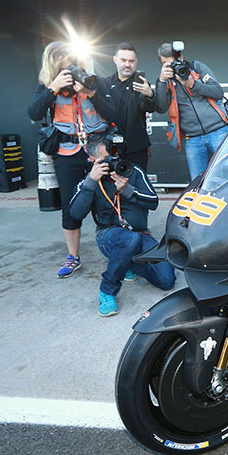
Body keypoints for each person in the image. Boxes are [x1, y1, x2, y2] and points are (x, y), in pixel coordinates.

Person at [27, 41, 114, 278]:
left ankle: (115, 254)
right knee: (71, 206)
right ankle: (73, 257)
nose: (71, 70)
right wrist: (52, 88)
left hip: (97, 150)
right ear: (54, 67)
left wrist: (90, 92)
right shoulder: (47, 86)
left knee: (104, 203)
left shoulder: (92, 80)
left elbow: (113, 112)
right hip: (67, 152)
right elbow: (34, 113)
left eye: (73, 65)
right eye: (65, 68)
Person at [68, 131, 175, 316]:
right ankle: (107, 290)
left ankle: (127, 263)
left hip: (141, 234)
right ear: (92, 159)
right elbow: (75, 213)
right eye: (105, 158)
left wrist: (128, 190)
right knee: (129, 240)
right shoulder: (89, 180)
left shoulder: (132, 171)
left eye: (114, 154)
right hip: (108, 235)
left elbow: (154, 201)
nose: (112, 160)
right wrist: (91, 182)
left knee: (167, 280)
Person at [154, 42, 228, 180]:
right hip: (193, 138)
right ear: (162, 63)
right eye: (169, 65)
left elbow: (218, 92)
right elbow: (161, 108)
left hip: (218, 131)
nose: (175, 67)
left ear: (181, 57)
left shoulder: (196, 68)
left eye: (176, 62)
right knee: (197, 181)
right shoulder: (166, 82)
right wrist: (161, 81)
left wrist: (193, 84)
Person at [95, 43, 158, 171]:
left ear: (136, 62)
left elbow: (150, 108)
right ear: (115, 60)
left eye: (131, 61)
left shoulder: (142, 83)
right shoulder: (105, 84)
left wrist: (149, 94)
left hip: (137, 147)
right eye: (124, 60)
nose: (128, 64)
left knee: (138, 185)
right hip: (110, 147)